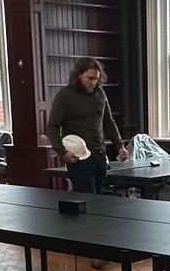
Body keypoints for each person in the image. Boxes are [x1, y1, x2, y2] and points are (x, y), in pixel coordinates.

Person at [46, 57, 126, 195]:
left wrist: (119, 145)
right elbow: (53, 126)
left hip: (99, 154)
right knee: (87, 198)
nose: (93, 82)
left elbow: (108, 121)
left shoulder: (100, 93)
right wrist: (62, 152)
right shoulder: (65, 96)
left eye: (96, 78)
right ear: (79, 75)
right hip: (79, 157)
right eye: (89, 78)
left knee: (100, 198)